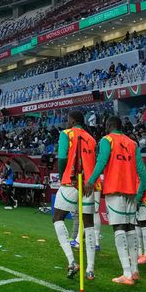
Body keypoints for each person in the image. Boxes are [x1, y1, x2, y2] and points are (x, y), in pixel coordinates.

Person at [83, 116, 146, 285]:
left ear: (108, 125)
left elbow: (102, 161)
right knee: (130, 228)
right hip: (131, 192)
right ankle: (134, 270)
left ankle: (126, 274)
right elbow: (141, 168)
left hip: (115, 189)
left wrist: (91, 180)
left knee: (119, 228)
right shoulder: (132, 143)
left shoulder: (106, 140)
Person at [52, 111, 98, 280]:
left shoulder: (66, 134)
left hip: (71, 182)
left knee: (57, 217)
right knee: (89, 225)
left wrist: (62, 175)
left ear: (72, 121)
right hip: (88, 185)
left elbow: (62, 158)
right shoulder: (92, 139)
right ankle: (91, 269)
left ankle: (72, 261)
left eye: (67, 120)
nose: (66, 122)